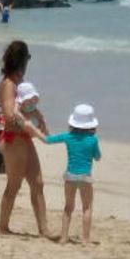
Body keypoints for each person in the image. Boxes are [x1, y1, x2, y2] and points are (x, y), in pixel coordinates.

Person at [0, 40, 50, 237]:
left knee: (38, 183)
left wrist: (39, 117)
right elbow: (10, 114)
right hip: (13, 139)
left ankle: (43, 229)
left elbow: (25, 107)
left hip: (23, 138)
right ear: (22, 61)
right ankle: (3, 227)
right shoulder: (8, 85)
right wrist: (27, 126)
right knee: (14, 185)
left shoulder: (19, 84)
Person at [45, 104, 102, 246]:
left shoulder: (68, 136)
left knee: (68, 207)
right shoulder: (93, 139)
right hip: (85, 177)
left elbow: (48, 140)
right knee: (87, 208)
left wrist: (36, 128)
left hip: (70, 176)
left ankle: (63, 238)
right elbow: (98, 157)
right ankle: (85, 239)